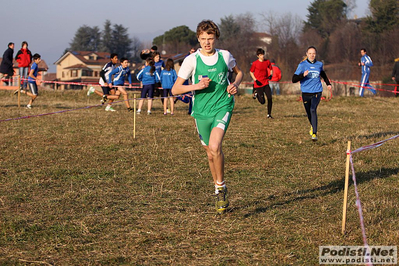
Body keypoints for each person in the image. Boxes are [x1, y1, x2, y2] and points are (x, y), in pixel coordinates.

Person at [172, 20, 243, 214]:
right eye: (203, 39)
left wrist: (234, 84)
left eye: (210, 38)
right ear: (198, 39)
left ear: (216, 38)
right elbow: (176, 89)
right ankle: (217, 186)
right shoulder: (192, 60)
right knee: (210, 153)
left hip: (223, 105)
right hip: (201, 112)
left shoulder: (225, 56)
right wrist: (196, 86)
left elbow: (239, 73)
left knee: (215, 146)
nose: (207, 43)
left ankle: (221, 188)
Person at [292, 46, 332, 142]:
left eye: (313, 53)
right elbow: (293, 79)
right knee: (309, 113)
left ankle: (314, 133)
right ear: (307, 54)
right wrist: (303, 75)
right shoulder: (302, 65)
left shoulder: (319, 64)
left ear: (316, 54)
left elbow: (323, 74)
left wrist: (328, 84)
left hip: (317, 91)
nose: (312, 55)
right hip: (306, 92)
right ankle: (312, 126)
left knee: (313, 109)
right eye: (310, 53)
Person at [250, 48, 274, 118]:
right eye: (260, 55)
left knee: (270, 98)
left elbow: (271, 69)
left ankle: (269, 114)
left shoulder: (267, 62)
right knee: (262, 101)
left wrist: (270, 75)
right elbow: (251, 72)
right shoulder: (255, 63)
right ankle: (257, 94)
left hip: (265, 82)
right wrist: (255, 80)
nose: (262, 56)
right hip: (258, 84)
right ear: (258, 56)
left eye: (263, 54)